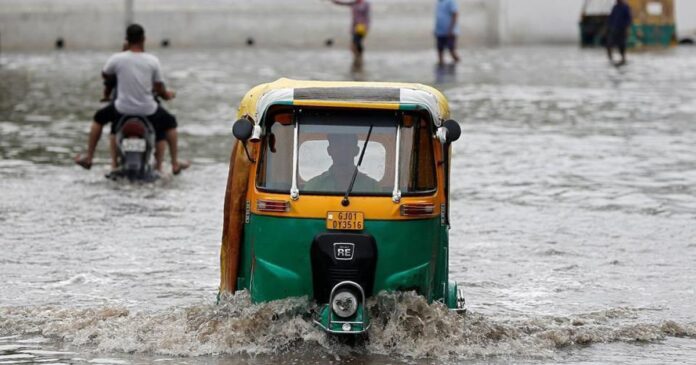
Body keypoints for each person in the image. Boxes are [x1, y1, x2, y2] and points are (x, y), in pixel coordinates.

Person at [75, 24, 189, 174]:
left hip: (122, 109)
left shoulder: (117, 59)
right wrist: (166, 95)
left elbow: (105, 75)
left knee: (98, 119)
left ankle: (89, 157)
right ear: (144, 39)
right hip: (148, 109)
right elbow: (159, 87)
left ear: (126, 40)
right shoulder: (152, 60)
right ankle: (174, 163)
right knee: (170, 123)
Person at [304, 134, 379, 192]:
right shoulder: (313, 186)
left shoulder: (372, 187)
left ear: (357, 150)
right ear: (329, 150)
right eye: (337, 145)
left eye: (348, 145)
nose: (343, 149)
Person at [331, 0, 370, 71]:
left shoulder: (365, 4)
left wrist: (367, 27)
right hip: (354, 27)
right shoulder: (353, 3)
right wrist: (334, 1)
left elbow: (367, 17)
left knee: (356, 43)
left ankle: (359, 57)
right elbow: (342, 3)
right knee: (354, 44)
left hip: (362, 27)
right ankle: (357, 57)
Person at [606, 0, 632, 67]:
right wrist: (609, 26)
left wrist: (627, 28)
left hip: (622, 29)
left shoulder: (625, 7)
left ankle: (623, 58)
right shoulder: (615, 7)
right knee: (609, 43)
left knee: (622, 45)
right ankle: (610, 58)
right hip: (614, 29)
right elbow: (611, 17)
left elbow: (629, 19)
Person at [434, 0, 460, 66]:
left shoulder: (451, 1)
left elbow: (455, 14)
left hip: (450, 31)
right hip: (440, 31)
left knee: (451, 50)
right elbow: (439, 17)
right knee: (440, 50)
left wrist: (451, 29)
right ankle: (441, 67)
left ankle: (458, 64)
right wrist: (436, 30)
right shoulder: (439, 2)